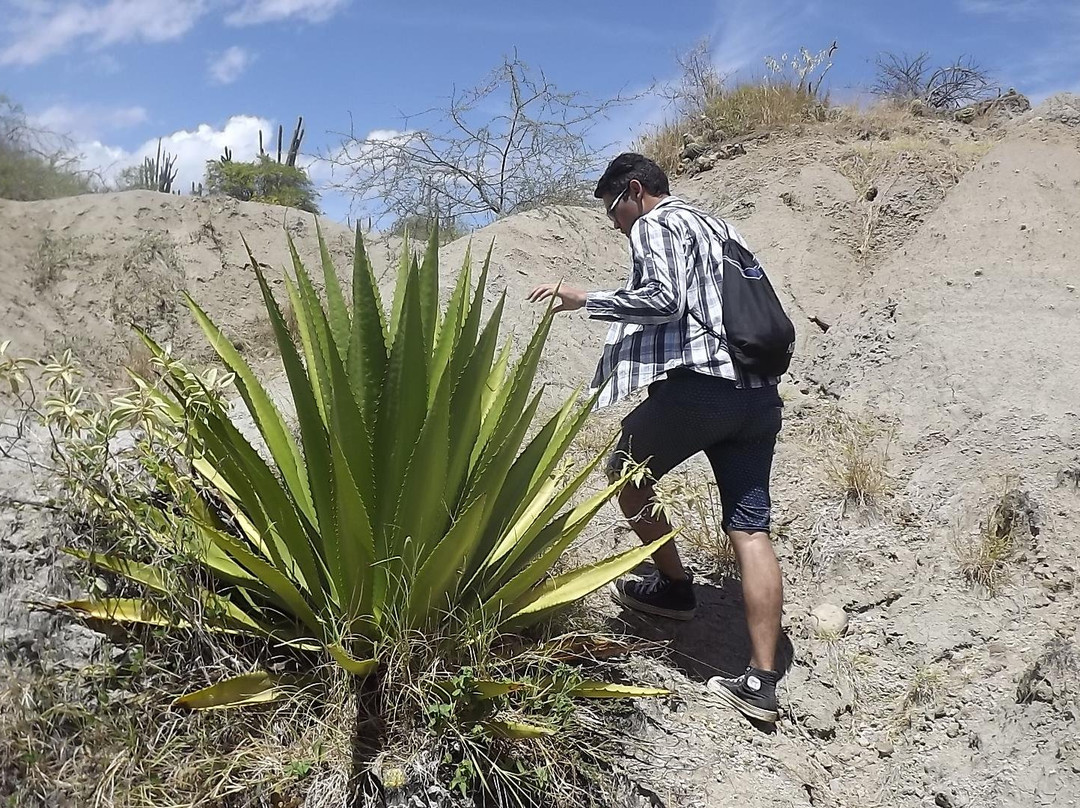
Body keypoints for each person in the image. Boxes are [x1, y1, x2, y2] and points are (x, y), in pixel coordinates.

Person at [527, 152, 786, 723]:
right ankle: (762, 680)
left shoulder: (657, 223)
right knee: (750, 528)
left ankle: (673, 587)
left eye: (614, 212)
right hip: (758, 394)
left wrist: (585, 299)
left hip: (703, 390)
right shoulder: (720, 227)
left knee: (624, 472)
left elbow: (664, 300)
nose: (617, 225)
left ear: (635, 192)